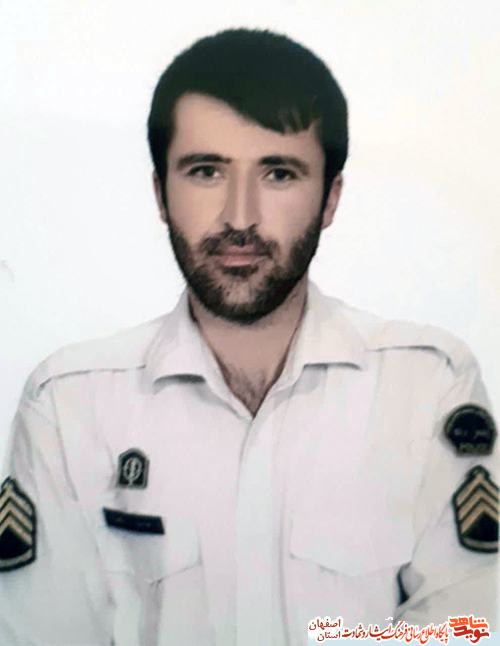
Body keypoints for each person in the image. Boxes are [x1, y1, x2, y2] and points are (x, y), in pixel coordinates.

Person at [0, 28, 497, 646]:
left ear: (331, 199)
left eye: (279, 173)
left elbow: (464, 627)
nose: (240, 217)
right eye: (206, 171)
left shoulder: (430, 387)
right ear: (160, 193)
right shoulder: (68, 405)